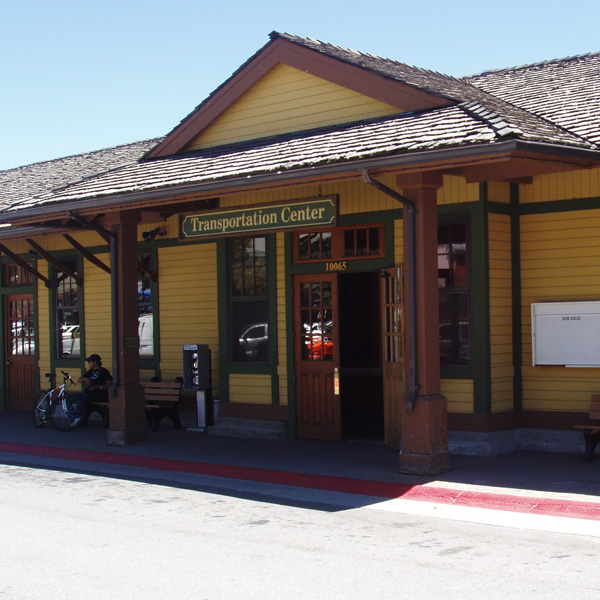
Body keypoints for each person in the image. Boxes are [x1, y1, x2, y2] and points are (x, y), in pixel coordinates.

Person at [75, 354, 113, 426]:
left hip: (99, 394)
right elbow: (79, 380)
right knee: (74, 398)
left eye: (89, 362)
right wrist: (86, 379)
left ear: (95, 362)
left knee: (82, 399)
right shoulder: (90, 372)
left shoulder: (103, 372)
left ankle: (77, 419)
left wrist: (98, 387)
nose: (88, 363)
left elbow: (110, 384)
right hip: (89, 393)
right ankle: (75, 418)